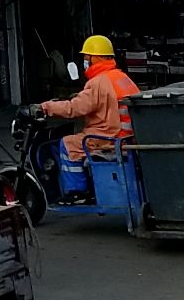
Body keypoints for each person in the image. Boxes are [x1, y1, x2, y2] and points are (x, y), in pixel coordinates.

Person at [40, 34, 140, 192]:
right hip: (127, 136)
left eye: (86, 57)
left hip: (109, 137)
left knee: (68, 144)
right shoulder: (120, 77)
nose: (84, 62)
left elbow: (74, 109)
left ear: (94, 59)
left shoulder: (98, 82)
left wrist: (45, 108)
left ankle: (76, 191)